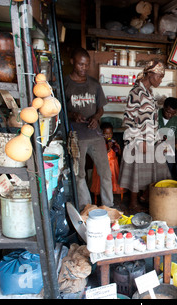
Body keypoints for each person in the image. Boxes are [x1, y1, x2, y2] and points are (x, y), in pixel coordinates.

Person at [119, 60, 171, 213]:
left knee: (157, 169)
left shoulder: (149, 92)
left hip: (150, 139)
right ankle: (133, 203)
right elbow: (129, 119)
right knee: (137, 170)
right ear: (149, 74)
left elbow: (151, 119)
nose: (160, 80)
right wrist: (137, 141)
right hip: (138, 140)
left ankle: (145, 197)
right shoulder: (136, 92)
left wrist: (159, 140)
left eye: (162, 77)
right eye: (159, 76)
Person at [64, 47, 113, 210]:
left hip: (95, 134)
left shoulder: (94, 84)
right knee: (80, 174)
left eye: (86, 65)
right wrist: (72, 114)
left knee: (105, 172)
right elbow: (58, 108)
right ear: (73, 62)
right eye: (80, 65)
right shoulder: (65, 83)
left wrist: (96, 118)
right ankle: (86, 207)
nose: (84, 68)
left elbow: (101, 108)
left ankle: (108, 206)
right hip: (76, 137)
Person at [90, 122, 124, 204]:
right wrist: (108, 148)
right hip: (103, 165)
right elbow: (100, 156)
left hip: (113, 165)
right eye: (105, 134)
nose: (108, 136)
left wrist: (118, 148)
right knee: (102, 181)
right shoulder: (100, 143)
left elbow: (119, 154)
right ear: (101, 134)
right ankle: (99, 198)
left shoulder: (114, 142)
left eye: (110, 134)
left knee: (113, 179)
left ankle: (113, 195)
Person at [158, 97, 177, 183]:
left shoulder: (176, 121)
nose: (169, 115)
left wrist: (172, 143)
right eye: (168, 112)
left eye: (173, 113)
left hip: (171, 147)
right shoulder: (155, 115)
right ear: (163, 107)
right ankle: (168, 186)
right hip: (156, 147)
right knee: (168, 161)